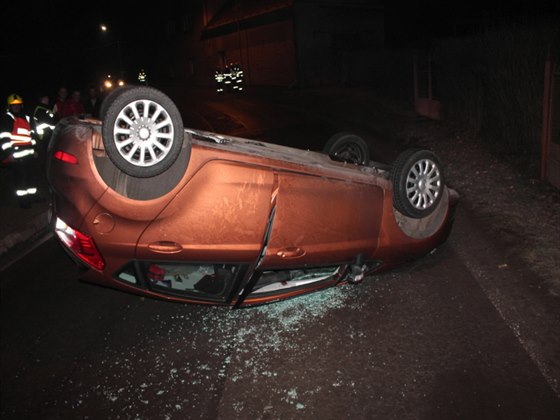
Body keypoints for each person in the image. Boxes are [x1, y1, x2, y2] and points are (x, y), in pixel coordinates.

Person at [0, 94, 38, 208]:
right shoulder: (7, 118)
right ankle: (23, 201)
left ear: (21, 106)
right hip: (16, 156)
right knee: (21, 180)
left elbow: (32, 136)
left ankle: (32, 197)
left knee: (31, 177)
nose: (16, 107)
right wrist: (9, 154)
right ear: (9, 107)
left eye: (17, 105)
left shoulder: (26, 117)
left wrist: (35, 150)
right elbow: (4, 138)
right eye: (13, 105)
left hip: (29, 154)